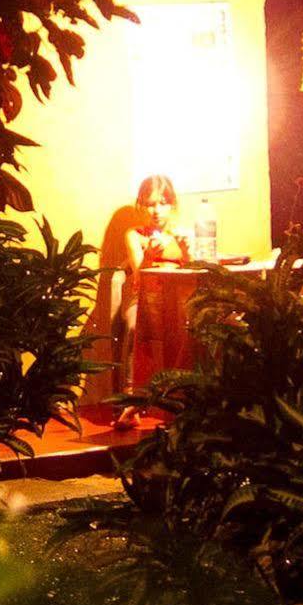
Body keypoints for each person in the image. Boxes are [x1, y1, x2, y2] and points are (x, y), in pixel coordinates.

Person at [96, 175, 186, 428]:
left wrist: (184, 247)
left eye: (162, 203)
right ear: (141, 206)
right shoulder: (134, 234)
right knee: (136, 328)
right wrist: (149, 255)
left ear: (172, 204)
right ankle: (131, 402)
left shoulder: (180, 235)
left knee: (191, 327)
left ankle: (185, 400)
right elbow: (139, 272)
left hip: (175, 301)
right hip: (143, 299)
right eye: (150, 204)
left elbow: (193, 266)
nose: (156, 210)